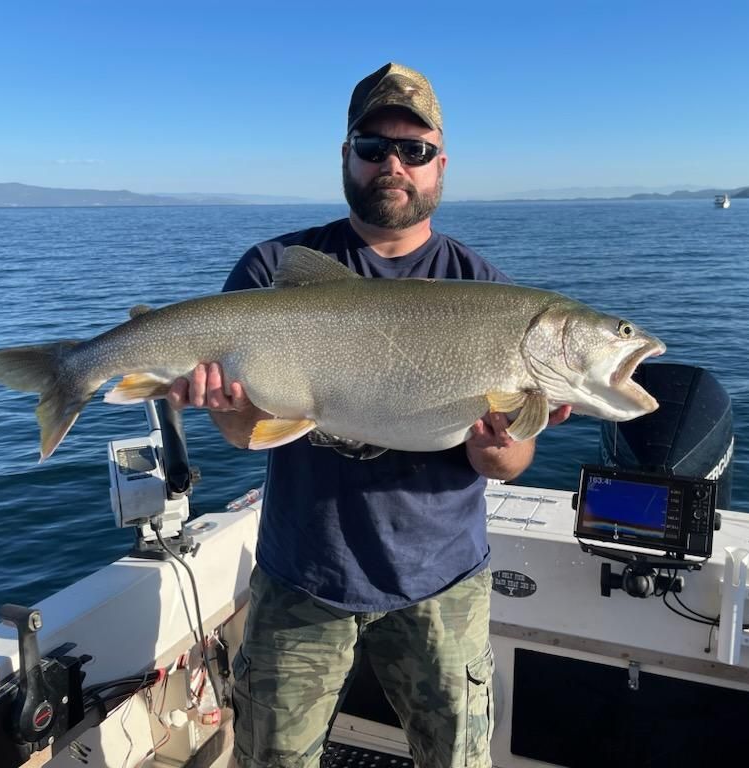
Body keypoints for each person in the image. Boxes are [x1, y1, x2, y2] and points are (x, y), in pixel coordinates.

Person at [168, 62, 570, 768]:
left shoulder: (484, 291)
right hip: (304, 578)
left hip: (443, 581)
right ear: (346, 155)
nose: (394, 164)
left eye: (414, 150)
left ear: (440, 165)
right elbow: (244, 433)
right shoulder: (274, 268)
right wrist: (223, 406)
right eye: (374, 146)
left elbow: (506, 466)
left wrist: (504, 442)